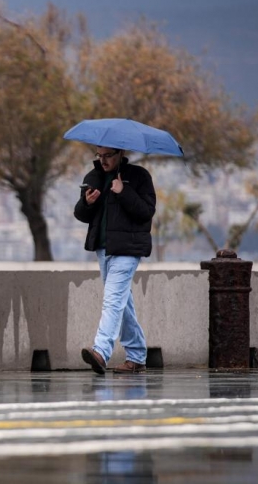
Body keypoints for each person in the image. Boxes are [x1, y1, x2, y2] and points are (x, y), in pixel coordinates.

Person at [74, 146, 156, 374]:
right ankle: (137, 355)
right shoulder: (93, 177)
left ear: (120, 153)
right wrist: (87, 203)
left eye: (108, 155)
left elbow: (146, 212)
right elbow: (80, 214)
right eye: (99, 156)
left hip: (127, 250)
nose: (103, 160)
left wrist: (123, 191)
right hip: (103, 249)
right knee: (122, 303)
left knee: (112, 300)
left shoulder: (139, 176)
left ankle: (101, 351)